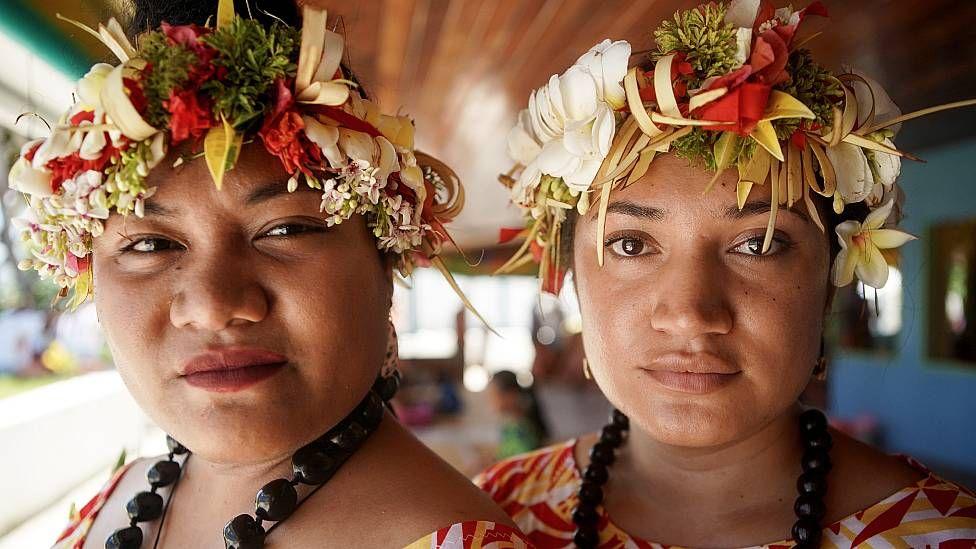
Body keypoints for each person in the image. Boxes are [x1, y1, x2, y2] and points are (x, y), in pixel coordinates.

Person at [7, 1, 530, 547]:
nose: (213, 303)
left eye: (284, 231)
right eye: (149, 244)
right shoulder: (117, 497)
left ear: (386, 268)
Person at [477, 1, 976, 547]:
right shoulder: (491, 520)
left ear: (833, 278)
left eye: (758, 244)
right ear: (571, 276)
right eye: (630, 243)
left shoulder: (942, 536)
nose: (691, 314)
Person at [487, 370, 549, 460]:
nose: (490, 401)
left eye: (493, 395)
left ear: (511, 395)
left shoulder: (523, 430)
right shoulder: (509, 427)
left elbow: (520, 463)